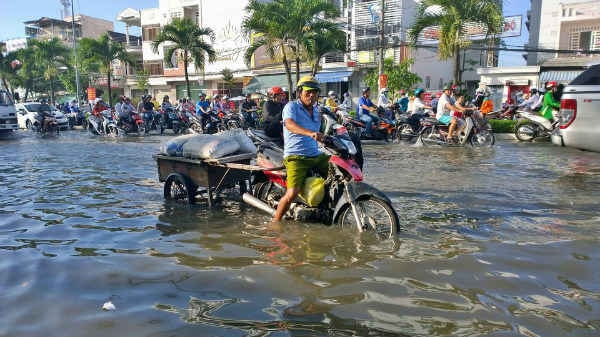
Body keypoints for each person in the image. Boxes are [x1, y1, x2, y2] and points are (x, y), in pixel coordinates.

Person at [273, 76, 329, 222]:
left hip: (315, 155)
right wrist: (310, 133)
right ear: (300, 92)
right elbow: (289, 124)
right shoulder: (291, 107)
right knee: (292, 193)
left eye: (315, 92)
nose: (312, 95)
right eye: (308, 92)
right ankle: (275, 224)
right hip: (296, 157)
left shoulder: (317, 111)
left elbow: (326, 128)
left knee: (339, 170)